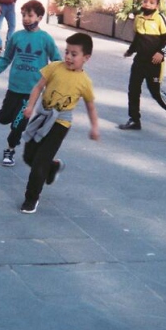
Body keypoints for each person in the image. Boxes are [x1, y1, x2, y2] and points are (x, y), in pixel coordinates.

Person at [19, 32, 100, 214]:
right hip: (42, 116)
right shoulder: (54, 67)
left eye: (74, 54)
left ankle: (31, 199)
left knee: (40, 162)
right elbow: (38, 87)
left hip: (60, 122)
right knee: (28, 156)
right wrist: (30, 106)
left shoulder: (85, 82)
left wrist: (94, 127)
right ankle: (53, 166)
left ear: (86, 58)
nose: (69, 57)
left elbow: (90, 106)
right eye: (67, 52)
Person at [0, 0, 62, 167]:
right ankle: (10, 118)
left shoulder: (45, 39)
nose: (26, 19)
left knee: (18, 124)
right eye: (23, 15)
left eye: (30, 15)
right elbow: (6, 58)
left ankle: (10, 149)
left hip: (31, 92)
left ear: (40, 17)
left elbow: (57, 60)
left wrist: (57, 79)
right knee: (3, 118)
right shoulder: (16, 37)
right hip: (14, 87)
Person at [117, 0, 166, 131]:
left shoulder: (160, 18)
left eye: (151, 2)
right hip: (140, 60)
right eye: (145, 1)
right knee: (133, 89)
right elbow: (138, 38)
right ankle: (134, 120)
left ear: (157, 6)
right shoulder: (139, 18)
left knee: (155, 91)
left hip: (154, 62)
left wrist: (162, 52)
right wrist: (130, 50)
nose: (147, 4)